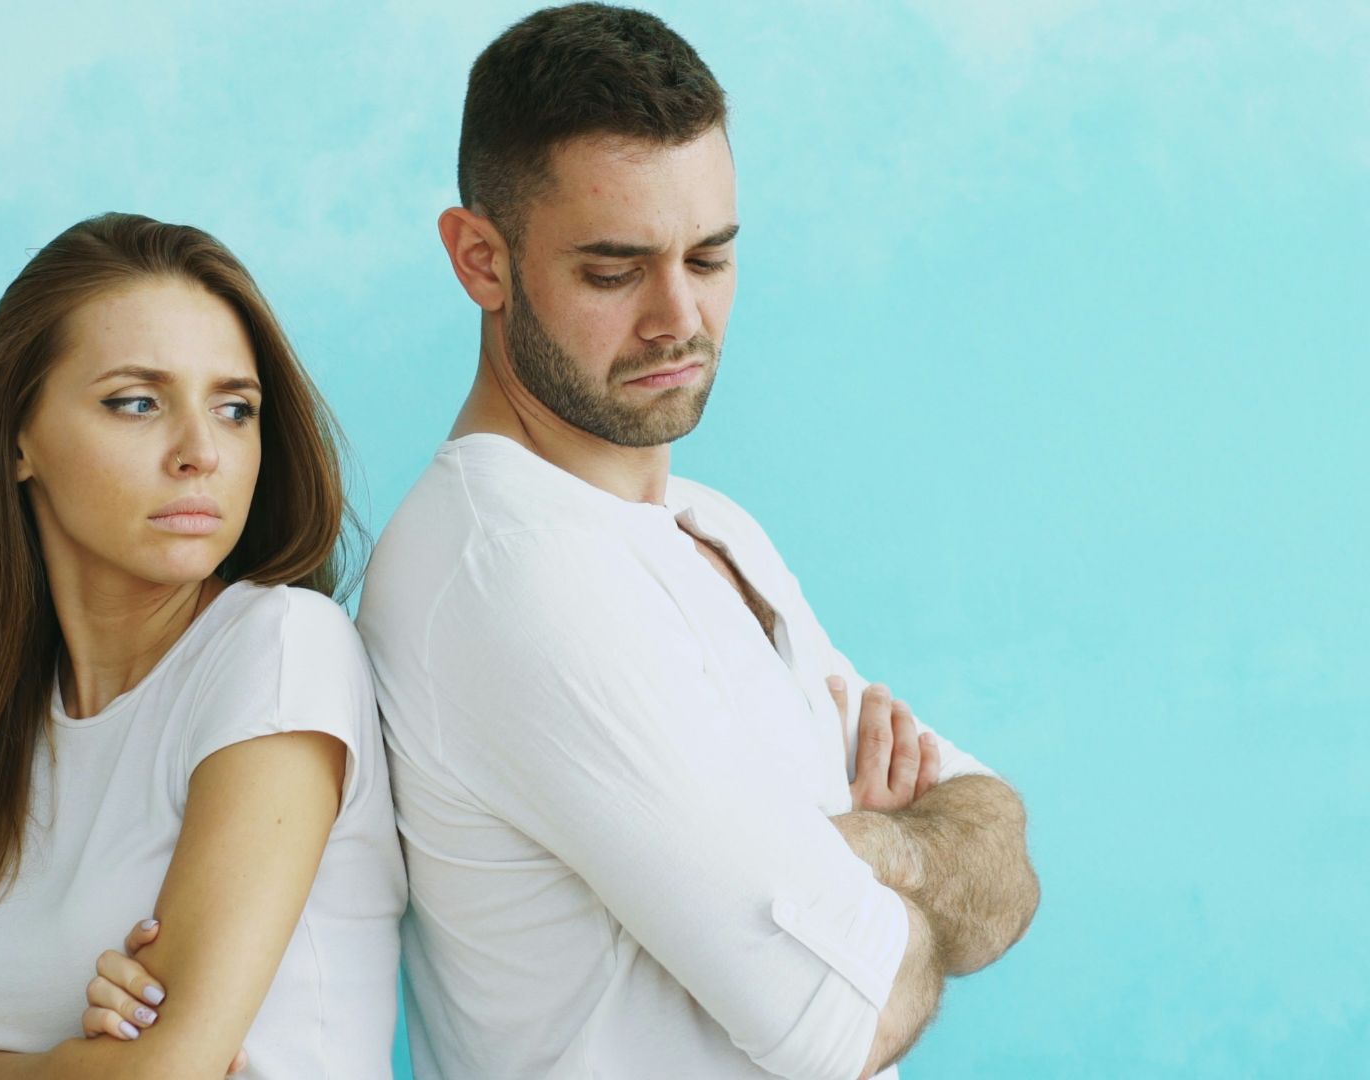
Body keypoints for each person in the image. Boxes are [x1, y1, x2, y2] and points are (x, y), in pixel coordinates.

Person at [355, 6, 1041, 1079]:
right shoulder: (512, 576)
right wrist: (878, 872)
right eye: (614, 270)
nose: (680, 317)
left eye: (711, 257)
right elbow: (844, 1020)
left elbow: (1005, 861)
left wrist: (877, 853)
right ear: (480, 259)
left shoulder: (710, 524)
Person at [0, 213, 407, 1080]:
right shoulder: (8, 726)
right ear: (18, 437)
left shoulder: (281, 649)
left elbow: (159, 1075)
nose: (200, 453)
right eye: (137, 402)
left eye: (235, 409)